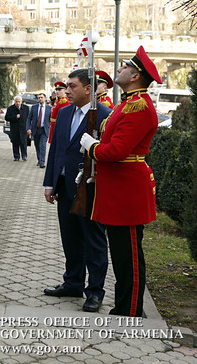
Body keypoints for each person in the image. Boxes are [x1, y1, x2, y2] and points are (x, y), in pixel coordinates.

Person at [80, 46, 161, 317]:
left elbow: (115, 151)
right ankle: (125, 305)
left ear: (136, 76)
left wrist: (92, 147)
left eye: (124, 67)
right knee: (121, 252)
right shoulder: (127, 103)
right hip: (116, 187)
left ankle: (130, 310)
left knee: (129, 256)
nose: (119, 69)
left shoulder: (138, 106)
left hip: (127, 191)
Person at [43, 68, 111, 313]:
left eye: (72, 86)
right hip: (64, 186)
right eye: (67, 86)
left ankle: (94, 292)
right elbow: (57, 150)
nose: (67, 91)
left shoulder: (104, 115)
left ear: (88, 89)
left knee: (93, 241)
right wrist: (49, 182)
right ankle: (72, 282)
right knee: (70, 238)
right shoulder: (63, 113)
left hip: (90, 187)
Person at [26, 93, 52, 168]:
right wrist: (28, 128)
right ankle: (39, 159)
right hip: (35, 129)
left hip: (44, 130)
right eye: (39, 97)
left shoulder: (49, 108)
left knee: (43, 145)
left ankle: (42, 162)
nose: (40, 99)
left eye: (41, 97)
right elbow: (29, 118)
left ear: (45, 99)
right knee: (37, 146)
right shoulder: (34, 107)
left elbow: (51, 119)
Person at [5, 96, 29, 161]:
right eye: (16, 102)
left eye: (19, 102)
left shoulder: (26, 108)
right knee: (15, 143)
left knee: (23, 143)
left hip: (23, 128)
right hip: (14, 129)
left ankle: (24, 155)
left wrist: (29, 127)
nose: (18, 103)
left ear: (21, 102)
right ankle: (16, 156)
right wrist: (15, 117)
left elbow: (29, 118)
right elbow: (7, 117)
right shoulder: (10, 108)